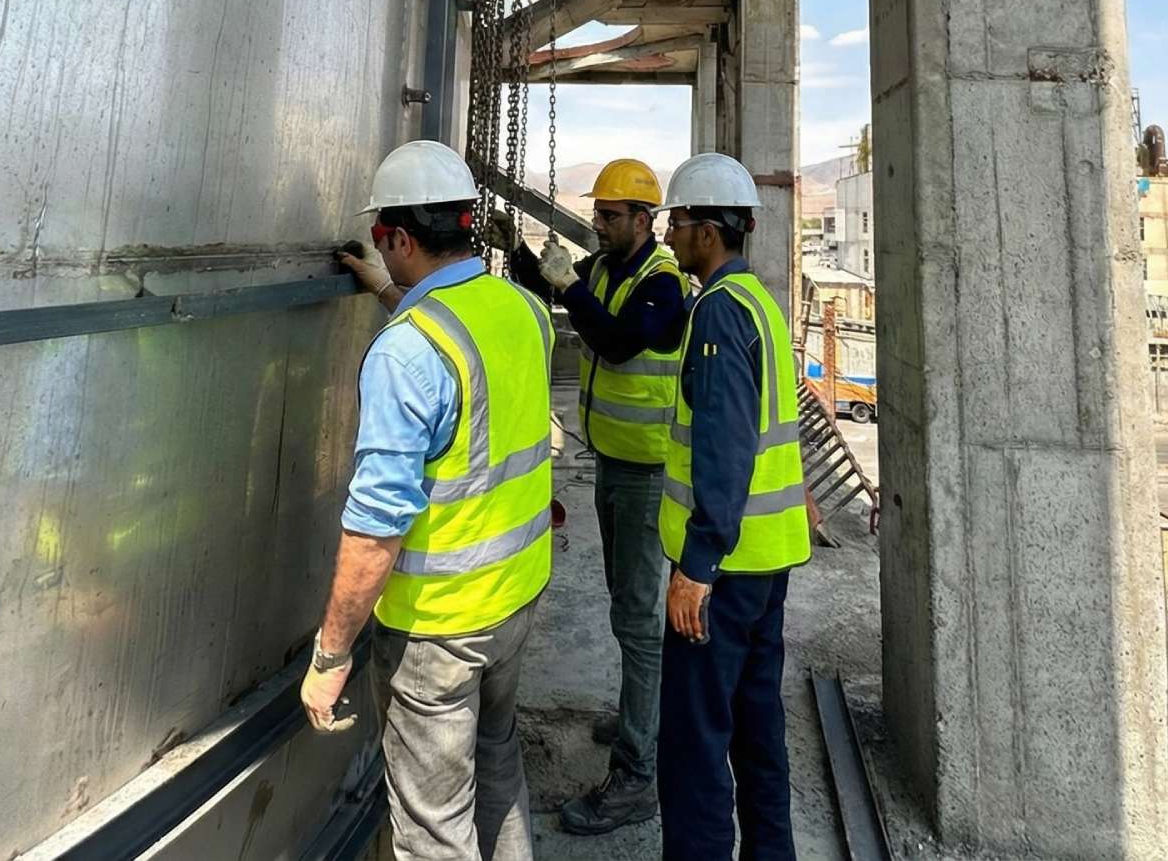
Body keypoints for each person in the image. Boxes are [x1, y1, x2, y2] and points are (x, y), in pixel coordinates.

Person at [308, 139, 555, 861]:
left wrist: (331, 654)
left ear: (402, 238)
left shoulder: (404, 353)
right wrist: (385, 288)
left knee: (432, 828)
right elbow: (457, 356)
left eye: (386, 239)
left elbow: (375, 530)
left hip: (440, 627)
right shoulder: (524, 311)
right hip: (516, 598)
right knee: (498, 764)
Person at [490, 159, 690, 835]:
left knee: (637, 621)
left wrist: (569, 282)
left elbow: (615, 338)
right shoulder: (606, 269)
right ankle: (641, 714)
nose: (598, 224)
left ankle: (637, 774)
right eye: (597, 213)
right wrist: (514, 249)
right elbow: (549, 283)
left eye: (610, 215)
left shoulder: (664, 287)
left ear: (644, 220)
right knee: (623, 608)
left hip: (645, 476)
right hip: (612, 462)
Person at [654, 153, 812, 861]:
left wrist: (696, 565)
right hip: (766, 561)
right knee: (756, 730)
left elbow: (723, 449)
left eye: (678, 221)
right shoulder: (759, 302)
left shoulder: (718, 312)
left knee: (694, 747)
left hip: (724, 570)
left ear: (709, 232)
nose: (670, 236)